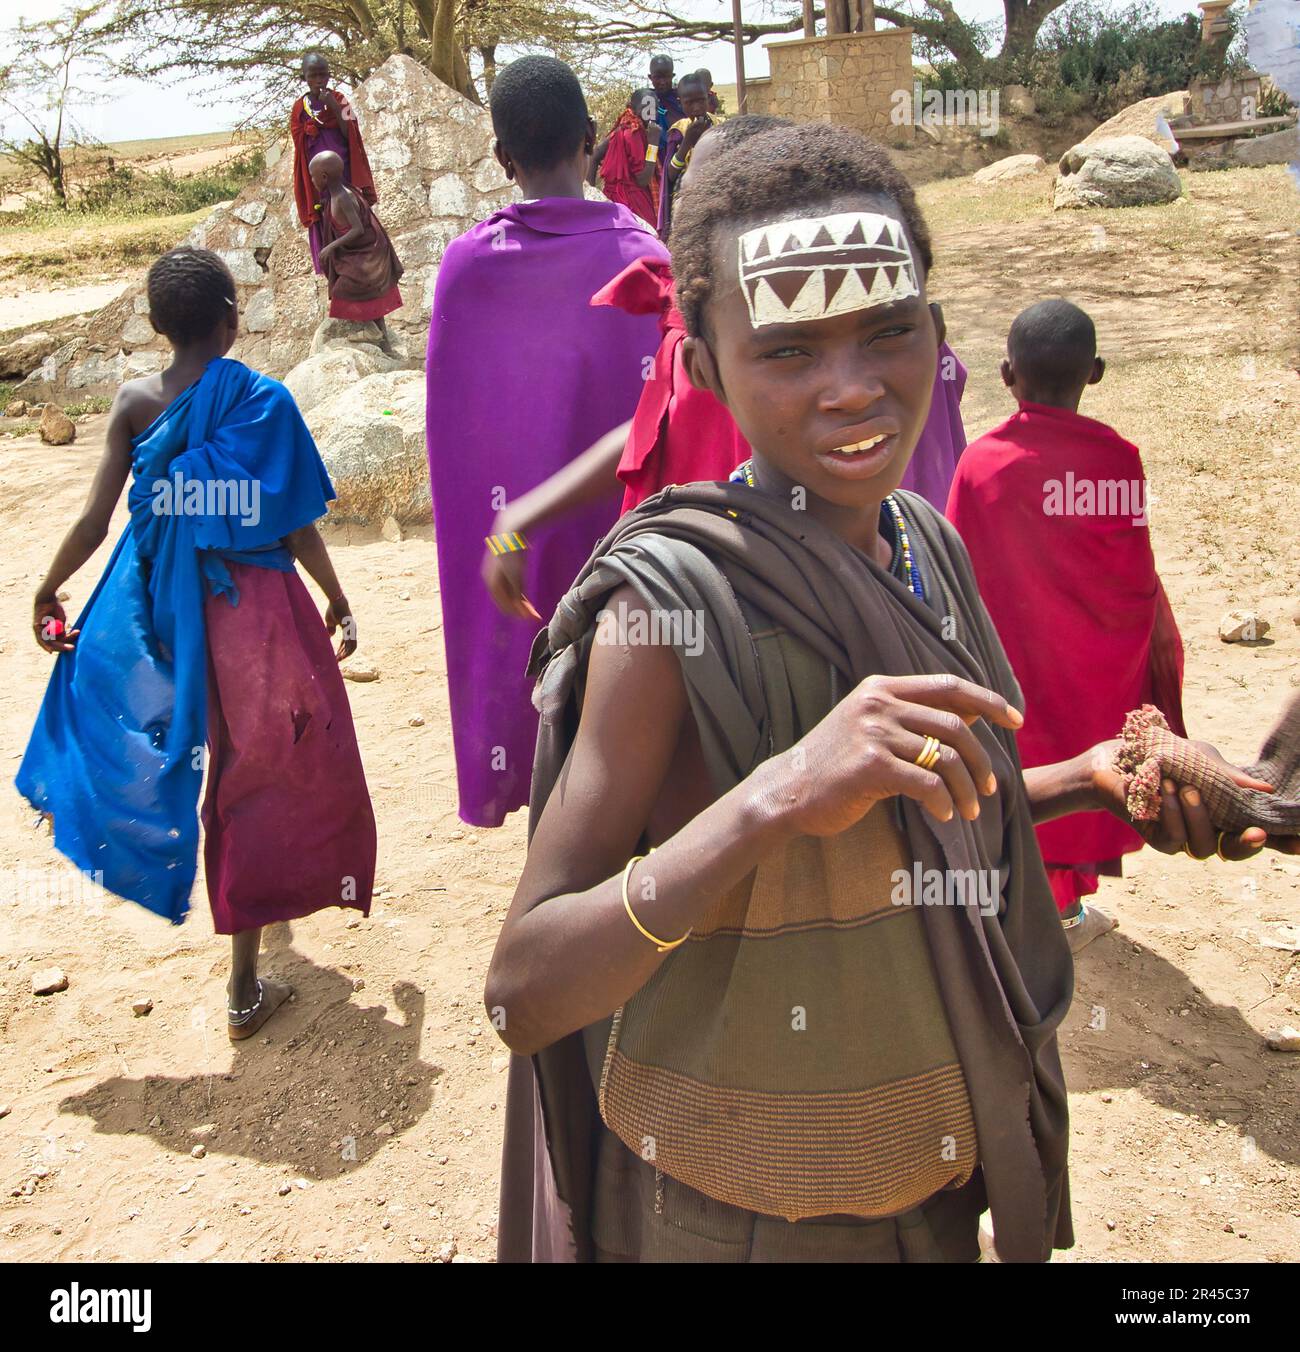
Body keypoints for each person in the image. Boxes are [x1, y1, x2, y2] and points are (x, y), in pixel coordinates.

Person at [487, 122, 1285, 1264]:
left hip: (927, 1179)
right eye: (790, 350)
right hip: (733, 1211)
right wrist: (770, 798)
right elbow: (522, 989)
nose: (852, 389)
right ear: (704, 367)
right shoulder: (664, 616)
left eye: (885, 331)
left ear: (940, 337)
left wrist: (1083, 782)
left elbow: (915, 805)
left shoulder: (924, 546)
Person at [17, 247, 376, 1040]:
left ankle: (229, 905)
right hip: (256, 618)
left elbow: (93, 520)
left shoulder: (135, 403)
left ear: (156, 325)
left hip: (163, 612)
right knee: (259, 773)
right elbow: (292, 519)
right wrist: (336, 595)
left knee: (194, 750)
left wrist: (48, 585)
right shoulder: (263, 401)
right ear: (232, 319)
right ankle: (244, 987)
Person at [480, 116, 969, 621]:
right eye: (687, 198)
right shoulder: (713, 335)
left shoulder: (924, 543)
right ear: (706, 369)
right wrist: (521, 517)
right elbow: (656, 431)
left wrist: (522, 517)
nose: (683, 224)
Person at [425, 55, 668, 830]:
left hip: (516, 561)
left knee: (541, 717)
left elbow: (458, 454)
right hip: (629, 562)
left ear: (503, 160)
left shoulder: (467, 269)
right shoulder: (648, 261)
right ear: (594, 141)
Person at [946, 300, 1187, 951]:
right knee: (1086, 753)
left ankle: (1025, 900)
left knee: (1025, 762)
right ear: (1097, 372)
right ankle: (1067, 904)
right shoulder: (1119, 459)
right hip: (1094, 657)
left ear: (1006, 374)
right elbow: (1133, 576)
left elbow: (958, 575)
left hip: (1014, 660)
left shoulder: (984, 465)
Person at [290, 51, 378, 276]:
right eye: (314, 75)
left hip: (343, 176)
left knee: (349, 216)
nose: (320, 80)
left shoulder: (340, 100)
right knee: (325, 219)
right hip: (319, 182)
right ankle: (334, 269)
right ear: (304, 78)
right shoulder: (299, 109)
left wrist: (333, 107)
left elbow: (351, 134)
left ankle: (358, 263)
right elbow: (299, 145)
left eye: (324, 75)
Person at [309, 148, 404, 327]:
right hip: (357, 255)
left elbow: (358, 229)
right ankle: (378, 334)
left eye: (313, 177)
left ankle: (368, 331)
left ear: (324, 177)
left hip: (367, 256)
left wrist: (330, 247)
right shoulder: (336, 196)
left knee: (342, 290)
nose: (312, 181)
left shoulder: (343, 197)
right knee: (366, 302)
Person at [587, 88, 660, 226]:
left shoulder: (624, 125)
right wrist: (653, 145)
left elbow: (596, 154)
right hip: (632, 202)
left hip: (615, 199)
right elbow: (643, 179)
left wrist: (591, 196)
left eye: (654, 108)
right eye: (645, 108)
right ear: (632, 108)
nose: (650, 113)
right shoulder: (633, 131)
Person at [656, 73, 711, 239]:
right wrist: (687, 142)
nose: (696, 108)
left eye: (701, 100)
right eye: (690, 103)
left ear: (708, 98)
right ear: (681, 104)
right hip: (688, 203)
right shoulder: (678, 131)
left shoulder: (720, 126)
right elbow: (670, 174)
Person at [648, 53, 683, 151]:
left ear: (672, 76)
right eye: (658, 77)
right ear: (650, 77)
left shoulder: (682, 100)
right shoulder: (646, 101)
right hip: (652, 157)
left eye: (667, 77)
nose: (662, 82)